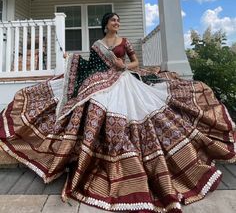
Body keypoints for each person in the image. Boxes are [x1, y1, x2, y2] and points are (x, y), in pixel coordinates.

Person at [0, 12, 235, 213]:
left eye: (118, 20)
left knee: (143, 108)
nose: (117, 23)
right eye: (113, 20)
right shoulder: (97, 45)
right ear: (105, 24)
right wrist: (70, 58)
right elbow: (89, 66)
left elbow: (135, 62)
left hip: (123, 79)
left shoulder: (124, 41)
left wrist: (125, 66)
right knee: (93, 104)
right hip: (102, 79)